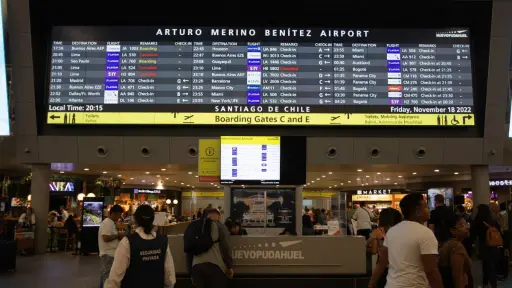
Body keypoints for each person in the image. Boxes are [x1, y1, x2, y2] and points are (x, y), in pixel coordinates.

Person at [368, 193, 443, 288]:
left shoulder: (392, 231)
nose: (429, 210)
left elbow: (382, 263)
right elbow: (431, 271)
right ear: (417, 211)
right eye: (426, 207)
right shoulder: (426, 233)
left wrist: (371, 284)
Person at [104, 205, 176, 288]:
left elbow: (116, 275)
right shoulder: (162, 241)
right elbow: (169, 274)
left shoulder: (128, 241)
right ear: (153, 220)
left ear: (135, 220)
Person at [191, 208, 233, 288]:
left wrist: (191, 269)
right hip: (215, 265)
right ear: (219, 216)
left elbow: (189, 248)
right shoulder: (221, 226)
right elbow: (226, 247)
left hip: (196, 266)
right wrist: (229, 266)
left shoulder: (196, 227)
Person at [367, 208, 402, 288]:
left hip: (383, 268)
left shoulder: (377, 231)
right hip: (398, 267)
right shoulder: (401, 231)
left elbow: (374, 250)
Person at [438, 214, 473, 288]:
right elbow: (457, 276)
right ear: (452, 230)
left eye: (466, 224)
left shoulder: (447, 244)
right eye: (461, 225)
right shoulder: (457, 247)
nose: (466, 227)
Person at [471, 204, 500, 288]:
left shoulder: (478, 221)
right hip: (494, 244)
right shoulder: (492, 219)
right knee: (490, 264)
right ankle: (489, 282)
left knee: (486, 264)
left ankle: (488, 283)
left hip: (484, 244)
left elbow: (473, 233)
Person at [99, 205, 125, 288]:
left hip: (110, 253)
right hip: (108, 253)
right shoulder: (107, 223)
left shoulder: (111, 223)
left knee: (106, 275)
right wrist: (118, 234)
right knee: (107, 276)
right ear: (113, 213)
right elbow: (105, 237)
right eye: (119, 214)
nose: (119, 217)